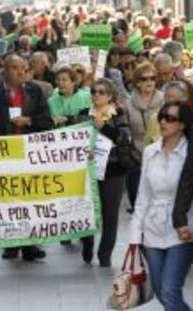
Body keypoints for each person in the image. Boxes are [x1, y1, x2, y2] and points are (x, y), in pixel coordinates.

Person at [0, 54, 53, 261]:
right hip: (3, 157)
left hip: (29, 156)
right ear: (5, 71)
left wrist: (29, 121)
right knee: (8, 201)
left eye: (23, 68)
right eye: (15, 68)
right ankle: (10, 243)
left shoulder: (35, 92)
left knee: (28, 200)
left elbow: (47, 121)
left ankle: (29, 245)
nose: (20, 72)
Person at [129, 101, 193, 311]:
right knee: (159, 290)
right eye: (162, 117)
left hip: (182, 229)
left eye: (171, 118)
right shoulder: (149, 152)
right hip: (152, 229)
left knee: (169, 289)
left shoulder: (189, 154)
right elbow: (143, 197)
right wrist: (134, 236)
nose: (163, 121)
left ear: (182, 124)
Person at [80, 78, 130, 267]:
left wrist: (105, 127)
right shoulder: (83, 114)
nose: (96, 95)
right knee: (87, 211)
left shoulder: (119, 114)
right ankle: (87, 244)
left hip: (113, 171)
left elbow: (124, 138)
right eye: (94, 91)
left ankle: (105, 254)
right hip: (89, 171)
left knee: (110, 214)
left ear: (110, 96)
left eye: (101, 92)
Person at [125, 62, 164, 212]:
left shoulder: (163, 100)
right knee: (137, 204)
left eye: (152, 78)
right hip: (136, 156)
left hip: (160, 156)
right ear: (137, 82)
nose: (149, 82)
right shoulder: (128, 103)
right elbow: (126, 130)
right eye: (144, 79)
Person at [145, 81, 190, 145]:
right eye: (167, 96)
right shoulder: (154, 119)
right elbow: (146, 144)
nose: (169, 100)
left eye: (173, 97)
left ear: (184, 99)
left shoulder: (189, 119)